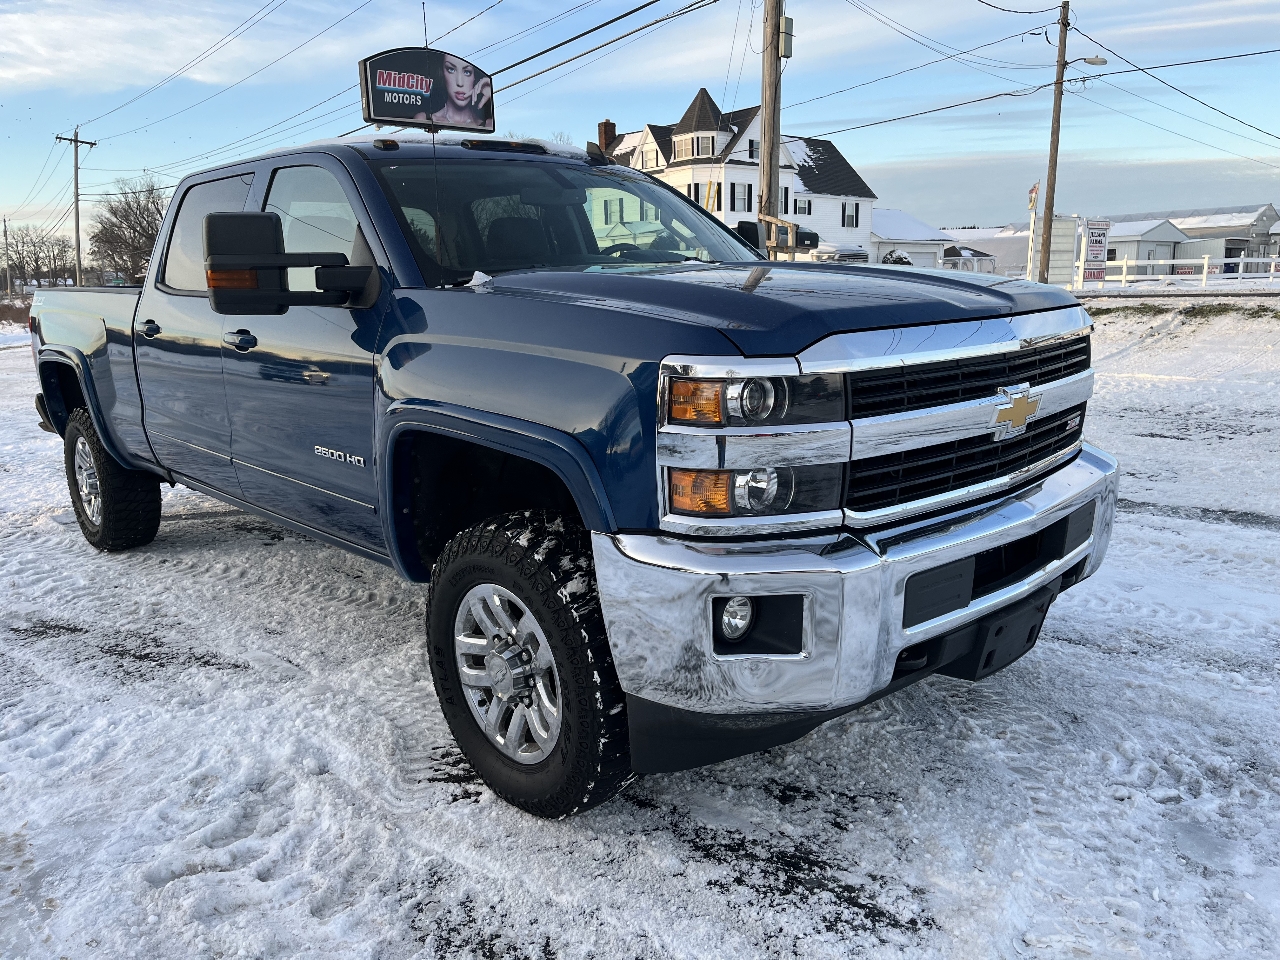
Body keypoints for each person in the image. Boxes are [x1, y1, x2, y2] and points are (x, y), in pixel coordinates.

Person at [430, 54, 492, 130]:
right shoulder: (425, 119)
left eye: (467, 72)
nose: (460, 83)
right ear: (442, 73)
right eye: (451, 70)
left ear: (475, 77)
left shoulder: (488, 125)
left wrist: (491, 94)